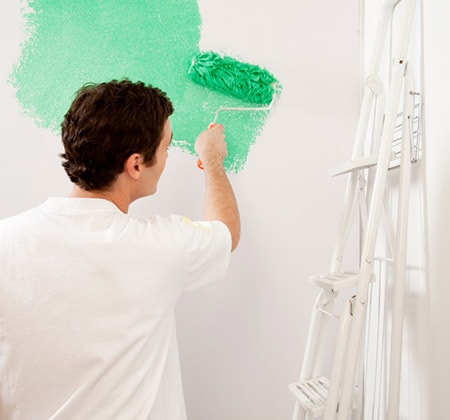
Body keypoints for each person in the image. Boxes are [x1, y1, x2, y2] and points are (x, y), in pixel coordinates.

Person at [0, 79, 240, 419]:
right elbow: (227, 231)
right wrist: (212, 159)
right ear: (136, 164)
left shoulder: (6, 240)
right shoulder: (160, 248)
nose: (167, 157)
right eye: (167, 147)